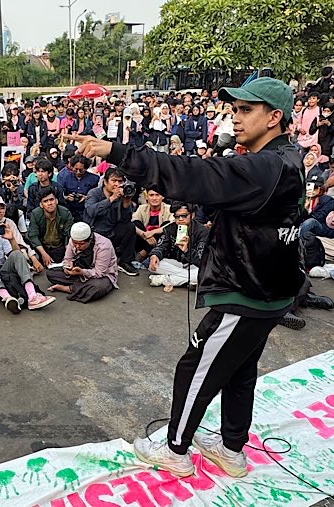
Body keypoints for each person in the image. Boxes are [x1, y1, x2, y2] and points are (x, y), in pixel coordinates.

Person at [68, 77, 305, 479]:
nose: (236, 116)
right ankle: (231, 449)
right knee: (240, 371)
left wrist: (119, 151)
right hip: (271, 289)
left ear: (274, 117)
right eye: (235, 109)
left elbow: (192, 174)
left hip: (247, 293)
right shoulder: (289, 157)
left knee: (195, 368)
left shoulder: (262, 166)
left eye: (247, 110)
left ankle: (175, 448)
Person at [84, 166, 139, 276]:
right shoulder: (94, 193)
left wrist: (126, 202)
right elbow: (91, 211)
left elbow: (125, 219)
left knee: (130, 227)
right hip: (95, 233)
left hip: (111, 232)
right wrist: (111, 199)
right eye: (114, 181)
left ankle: (125, 262)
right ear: (105, 181)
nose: (117, 184)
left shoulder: (121, 194)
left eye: (120, 181)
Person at [45, 222, 118, 303]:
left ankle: (68, 288)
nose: (77, 246)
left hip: (100, 276)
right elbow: (67, 259)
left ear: (89, 240)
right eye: (74, 243)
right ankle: (81, 288)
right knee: (50, 273)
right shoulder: (72, 240)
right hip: (79, 270)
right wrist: (67, 267)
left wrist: (82, 272)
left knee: (98, 287)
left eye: (81, 244)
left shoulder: (104, 246)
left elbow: (99, 273)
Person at [146, 202, 208, 289]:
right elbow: (161, 246)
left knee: (203, 272)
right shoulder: (170, 228)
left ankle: (167, 279)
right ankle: (187, 279)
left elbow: (202, 260)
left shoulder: (202, 231)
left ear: (192, 215)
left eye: (184, 216)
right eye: (177, 217)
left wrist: (187, 250)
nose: (180, 219)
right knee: (154, 264)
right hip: (175, 264)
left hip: (193, 266)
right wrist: (155, 255)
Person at [27, 187, 75, 267]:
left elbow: (69, 234)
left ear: (56, 201)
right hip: (42, 246)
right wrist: (44, 254)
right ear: (41, 205)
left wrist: (68, 256)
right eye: (45, 201)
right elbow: (33, 235)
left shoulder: (65, 213)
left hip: (59, 246)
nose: (49, 203)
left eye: (51, 200)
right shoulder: (35, 214)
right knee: (33, 258)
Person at [57, 155, 100, 221]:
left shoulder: (94, 178)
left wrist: (87, 197)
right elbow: (60, 194)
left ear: (86, 168)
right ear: (72, 167)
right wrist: (67, 197)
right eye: (76, 169)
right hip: (70, 210)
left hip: (86, 211)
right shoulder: (66, 178)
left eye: (81, 170)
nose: (78, 172)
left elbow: (98, 195)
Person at [133, 189, 172, 261]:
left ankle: (143, 253)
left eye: (157, 195)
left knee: (166, 226)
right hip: (145, 240)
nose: (154, 198)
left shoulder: (169, 208)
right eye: (151, 195)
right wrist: (144, 235)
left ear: (163, 197)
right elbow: (132, 223)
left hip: (160, 241)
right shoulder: (142, 208)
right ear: (147, 197)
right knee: (136, 223)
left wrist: (152, 232)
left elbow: (172, 224)